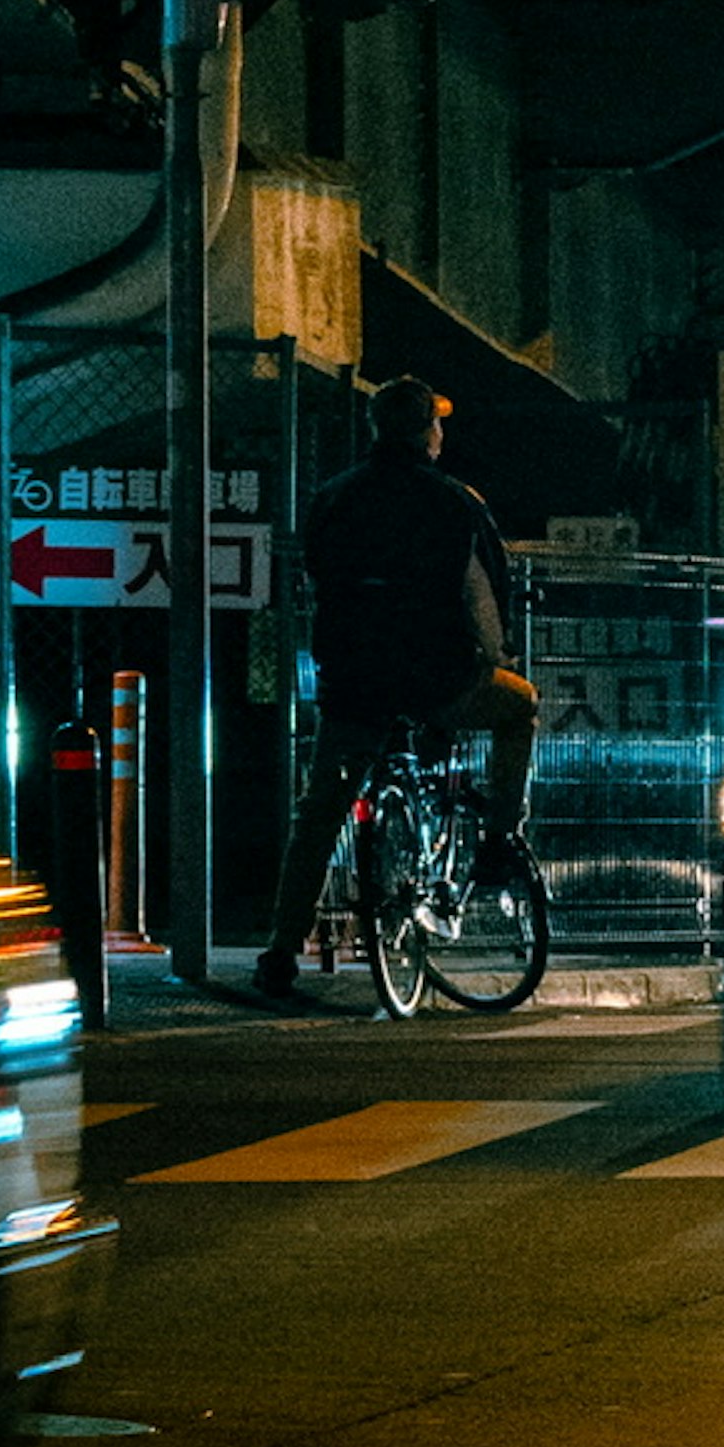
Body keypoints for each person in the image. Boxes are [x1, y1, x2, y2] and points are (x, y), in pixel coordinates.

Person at [251, 375, 541, 1001]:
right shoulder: (456, 502)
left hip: (355, 683)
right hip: (441, 679)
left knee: (321, 813)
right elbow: (484, 599)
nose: (441, 433)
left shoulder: (333, 498)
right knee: (521, 707)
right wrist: (496, 656)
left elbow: (317, 579)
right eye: (437, 423)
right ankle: (497, 840)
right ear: (426, 432)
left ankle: (279, 952)